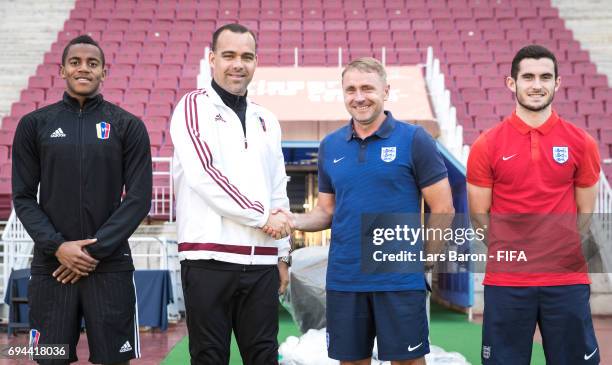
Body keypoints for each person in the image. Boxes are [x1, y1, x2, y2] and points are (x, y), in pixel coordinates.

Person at [284, 58, 454, 365]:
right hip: (345, 279)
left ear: (385, 91)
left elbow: (443, 208)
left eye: (367, 88)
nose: (359, 96)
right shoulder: (330, 146)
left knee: (408, 362)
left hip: (399, 280)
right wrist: (292, 220)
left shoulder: (414, 139)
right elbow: (326, 211)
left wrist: (423, 261)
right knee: (350, 361)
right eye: (351, 89)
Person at [12, 35, 152, 364]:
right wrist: (58, 247)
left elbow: (139, 198)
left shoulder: (127, 126)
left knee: (113, 360)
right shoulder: (35, 125)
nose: (83, 69)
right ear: (62, 70)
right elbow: (23, 196)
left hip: (109, 266)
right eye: (75, 62)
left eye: (92, 63)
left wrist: (92, 251)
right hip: (52, 267)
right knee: (50, 358)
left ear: (104, 71)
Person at [467, 45, 600, 364]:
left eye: (545, 77)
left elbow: (585, 213)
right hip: (507, 281)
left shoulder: (581, 142)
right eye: (527, 77)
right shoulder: (487, 144)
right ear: (511, 83)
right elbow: (478, 216)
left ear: (557, 82)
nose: (536, 84)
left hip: (566, 280)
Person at [170, 23, 293, 365]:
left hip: (261, 263)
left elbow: (277, 187)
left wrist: (282, 254)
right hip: (208, 259)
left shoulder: (266, 118)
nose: (238, 64)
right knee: (210, 358)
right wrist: (261, 216)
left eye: (246, 56)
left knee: (264, 356)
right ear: (212, 59)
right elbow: (204, 174)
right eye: (229, 55)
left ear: (256, 62)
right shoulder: (192, 106)